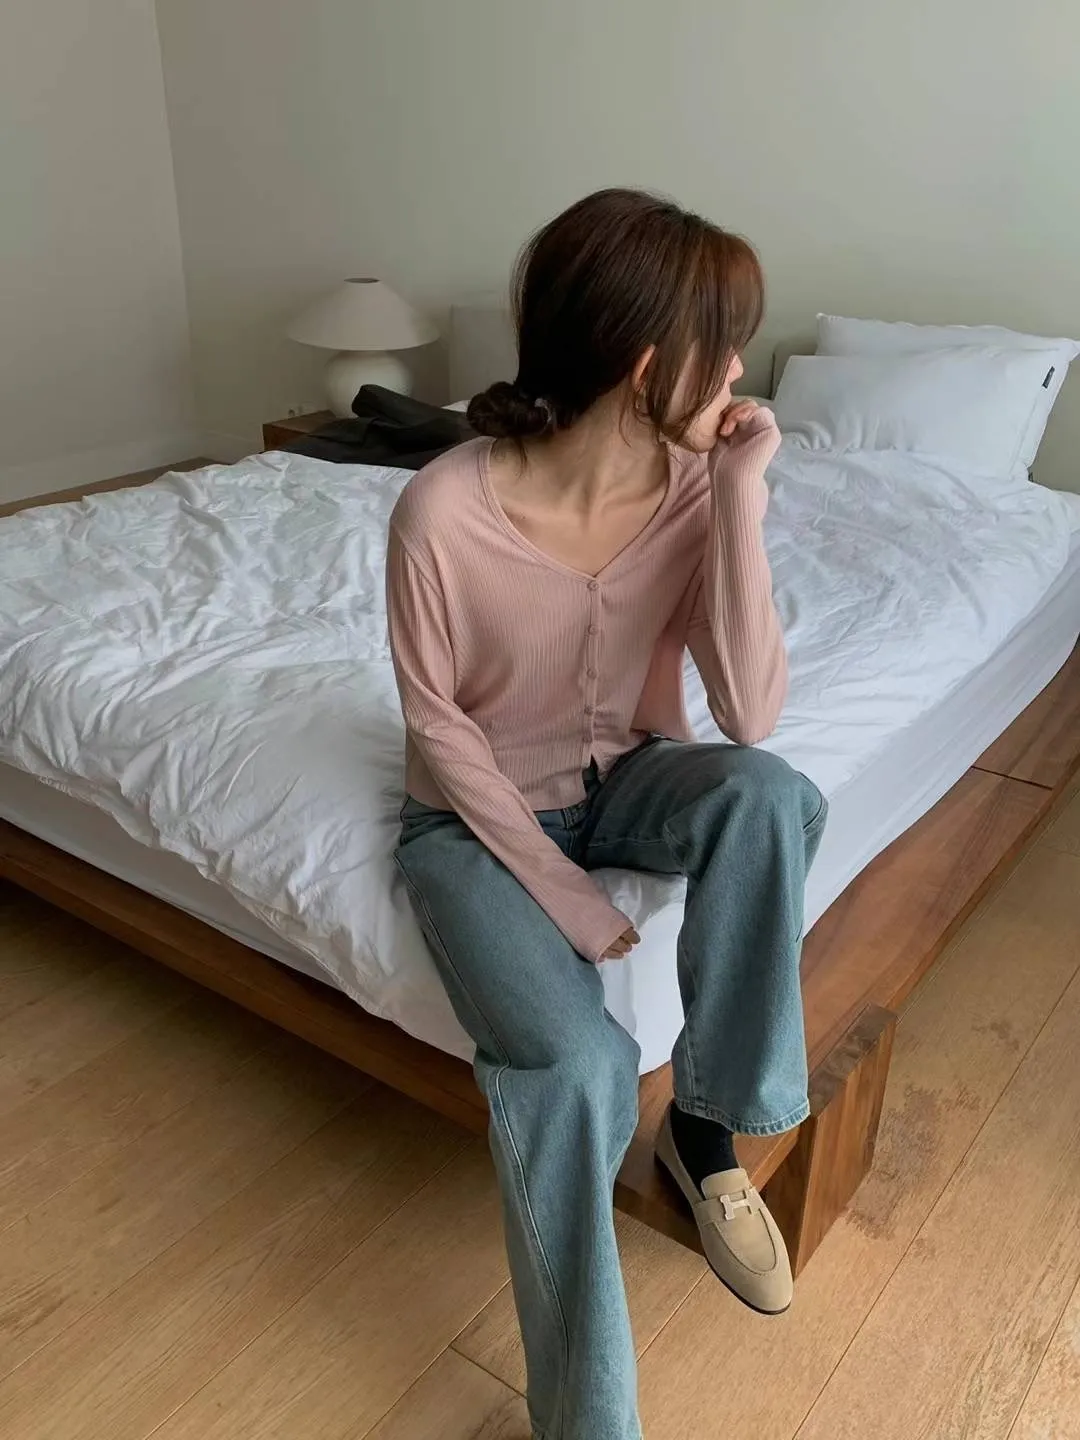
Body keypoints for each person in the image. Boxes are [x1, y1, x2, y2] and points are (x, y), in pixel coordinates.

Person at [386, 187, 826, 1440]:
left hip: (628, 776)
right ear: (645, 365)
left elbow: (751, 714)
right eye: (723, 344)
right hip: (471, 824)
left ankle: (705, 1133)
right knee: (577, 1066)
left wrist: (738, 497)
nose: (739, 371)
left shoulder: (695, 491)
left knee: (770, 799)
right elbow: (438, 733)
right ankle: (588, 1421)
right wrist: (572, 903)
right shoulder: (441, 512)